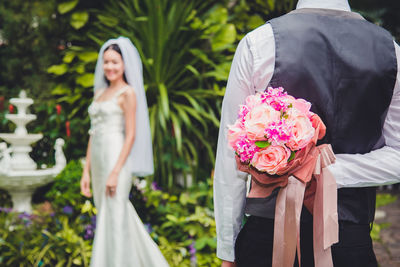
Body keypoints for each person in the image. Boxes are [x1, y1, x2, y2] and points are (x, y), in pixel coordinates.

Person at [214, 0, 400, 266]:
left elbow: (230, 154)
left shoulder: (260, 43)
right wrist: (339, 170)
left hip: (267, 239)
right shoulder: (390, 51)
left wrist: (227, 250)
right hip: (348, 239)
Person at [80, 37, 169, 267]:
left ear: (124, 65)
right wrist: (86, 172)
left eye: (114, 62)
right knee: (108, 216)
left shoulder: (128, 93)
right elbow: (93, 133)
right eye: (106, 62)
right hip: (98, 162)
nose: (109, 67)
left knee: (117, 212)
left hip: (116, 159)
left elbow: (130, 135)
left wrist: (115, 172)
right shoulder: (99, 93)